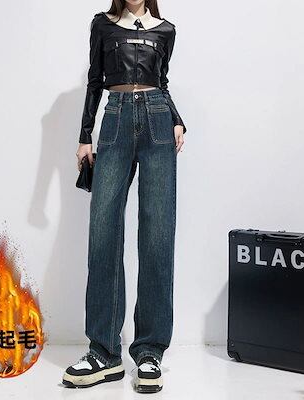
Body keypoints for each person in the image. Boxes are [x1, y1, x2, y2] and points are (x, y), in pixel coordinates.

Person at [62, 0, 186, 393]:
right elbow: (94, 80)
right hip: (114, 119)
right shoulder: (103, 24)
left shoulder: (166, 29)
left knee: (157, 237)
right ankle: (104, 353)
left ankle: (150, 351)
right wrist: (85, 135)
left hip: (158, 122)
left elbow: (161, 82)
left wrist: (177, 119)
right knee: (103, 235)